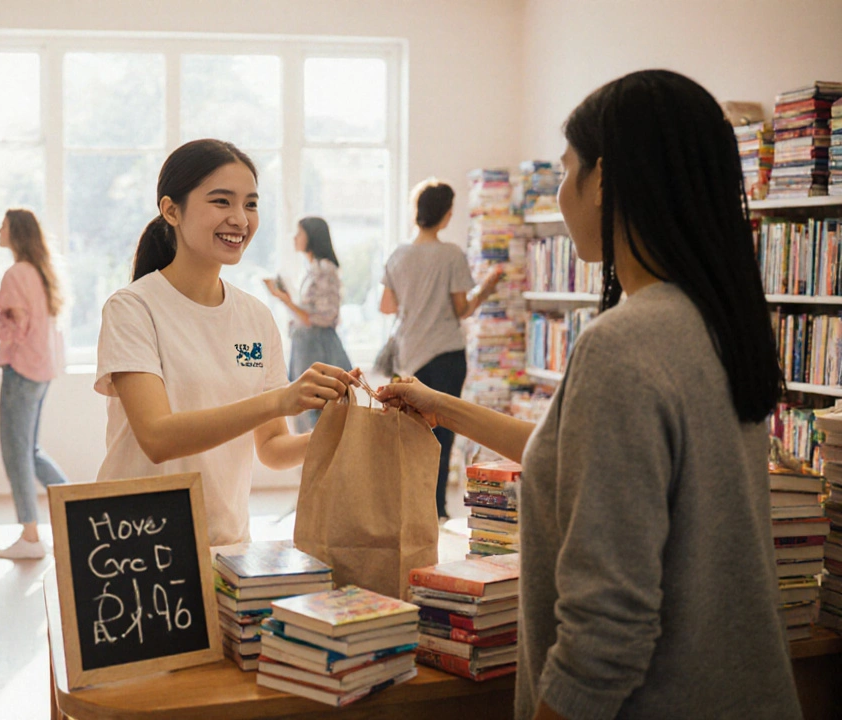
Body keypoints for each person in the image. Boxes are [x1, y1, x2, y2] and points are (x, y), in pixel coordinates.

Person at [378, 70, 800, 719]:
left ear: (604, 179)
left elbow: (608, 631)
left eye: (567, 170)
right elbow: (580, 453)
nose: (562, 190)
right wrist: (443, 407)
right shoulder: (715, 322)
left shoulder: (624, 344)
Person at [95, 139, 357, 547]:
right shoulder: (132, 308)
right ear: (171, 210)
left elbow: (271, 447)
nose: (240, 219)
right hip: (137, 547)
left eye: (251, 204)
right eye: (222, 202)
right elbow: (158, 437)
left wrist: (346, 431)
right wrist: (282, 399)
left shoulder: (255, 317)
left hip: (227, 543)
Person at [380, 178, 503, 520]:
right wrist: (488, 287)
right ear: (446, 216)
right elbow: (462, 309)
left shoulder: (398, 255)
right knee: (442, 434)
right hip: (446, 355)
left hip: (409, 356)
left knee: (408, 434)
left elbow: (387, 306)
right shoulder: (451, 255)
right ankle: (436, 510)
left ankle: (408, 508)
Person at [0, 208, 69, 560]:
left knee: (16, 453)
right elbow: (25, 311)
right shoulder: (39, 270)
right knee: (31, 450)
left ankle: (30, 534)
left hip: (22, 370)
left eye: (3, 226)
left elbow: (15, 328)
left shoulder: (15, 271)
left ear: (15, 232)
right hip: (43, 369)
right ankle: (74, 510)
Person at [264, 217, 351, 432]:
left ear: (311, 237)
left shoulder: (324, 269)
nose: (295, 237)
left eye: (299, 233)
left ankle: (313, 461)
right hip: (308, 345)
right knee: (306, 406)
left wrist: (283, 298)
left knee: (314, 409)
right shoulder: (313, 269)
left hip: (317, 346)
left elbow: (323, 317)